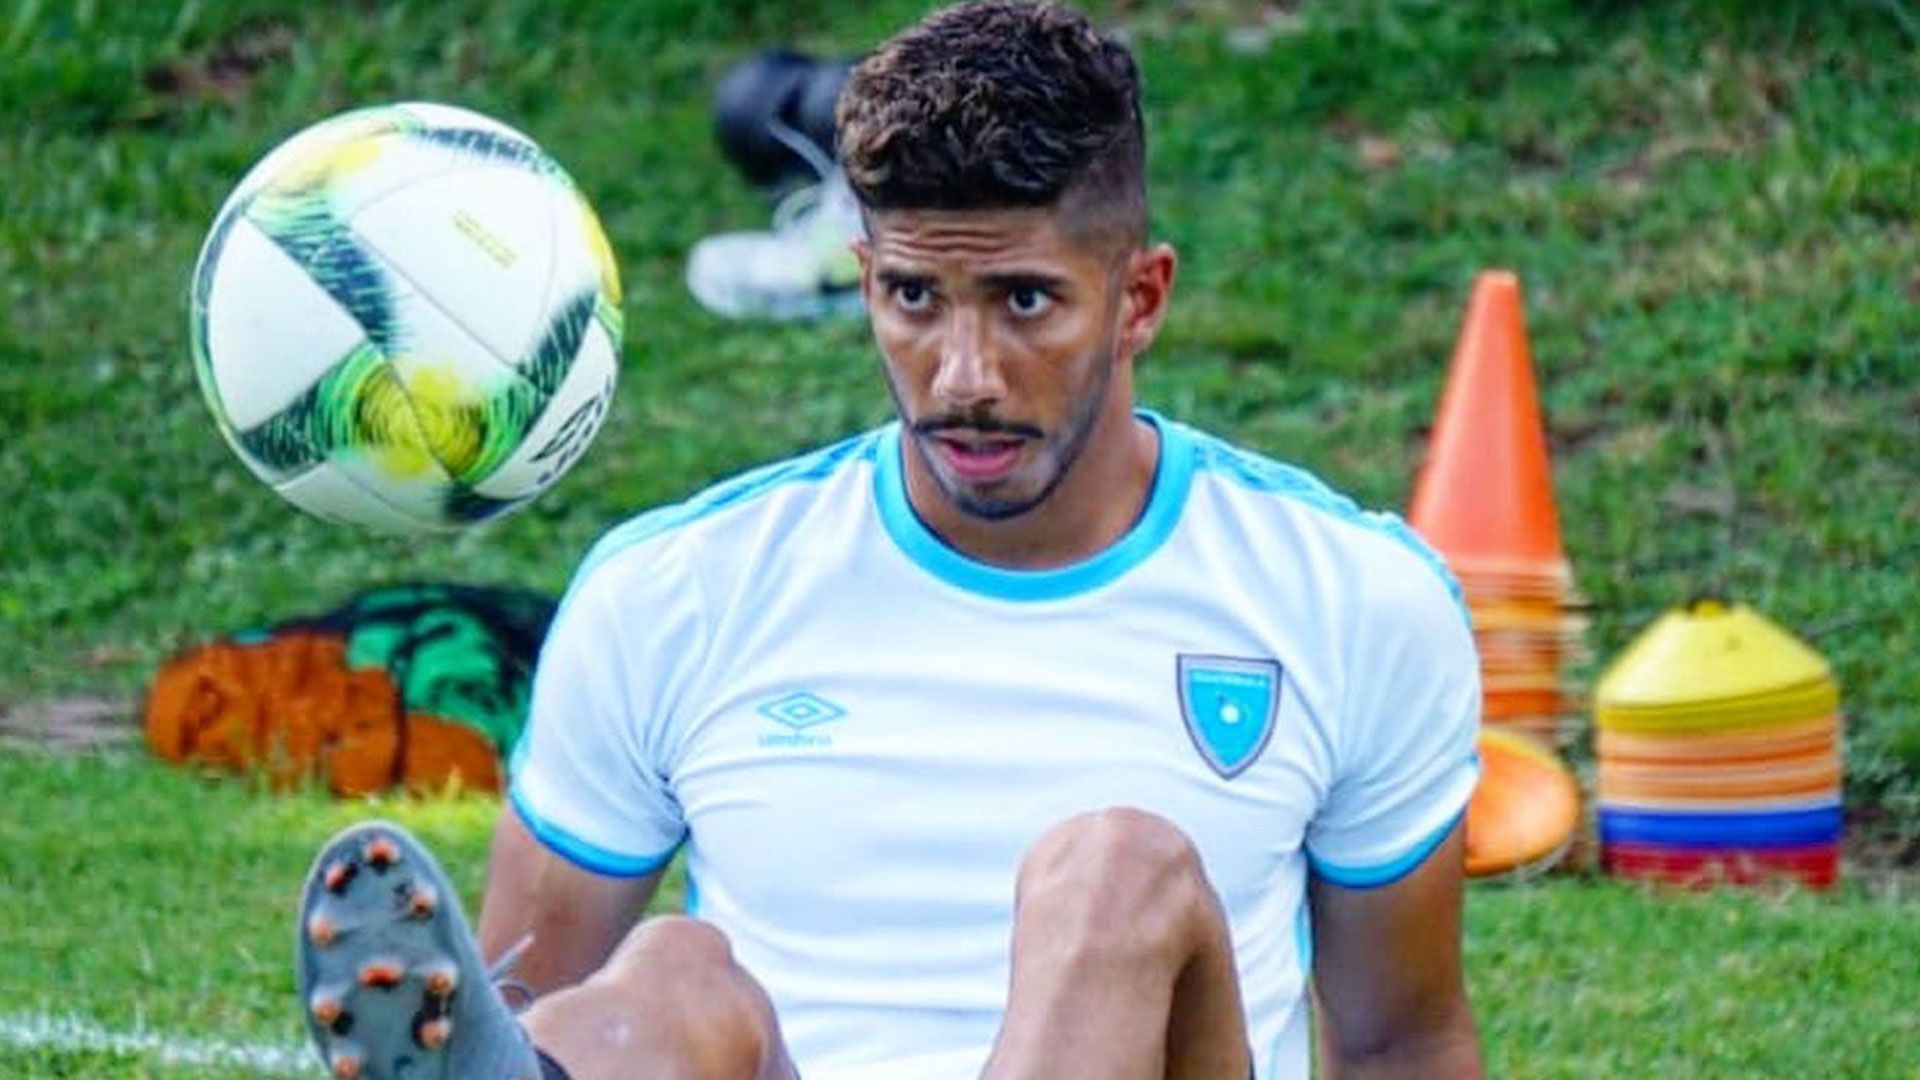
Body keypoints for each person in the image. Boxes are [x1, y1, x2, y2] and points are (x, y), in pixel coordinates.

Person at [292, 3, 1485, 1078]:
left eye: (1024, 301)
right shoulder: (679, 592)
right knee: (667, 978)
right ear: (862, 281)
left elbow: (1401, 1041)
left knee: (1118, 876)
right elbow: (523, 988)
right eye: (915, 297)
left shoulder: (1347, 597)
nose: (962, 377)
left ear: (1140, 299)